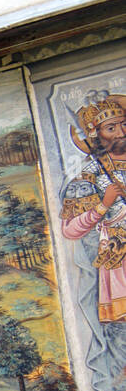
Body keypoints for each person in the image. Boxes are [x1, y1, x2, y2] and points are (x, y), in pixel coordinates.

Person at [61, 91, 126, 321]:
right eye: (111, 128)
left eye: (124, 124)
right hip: (120, 258)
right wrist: (104, 204)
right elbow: (70, 230)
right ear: (95, 135)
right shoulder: (90, 175)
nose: (122, 133)